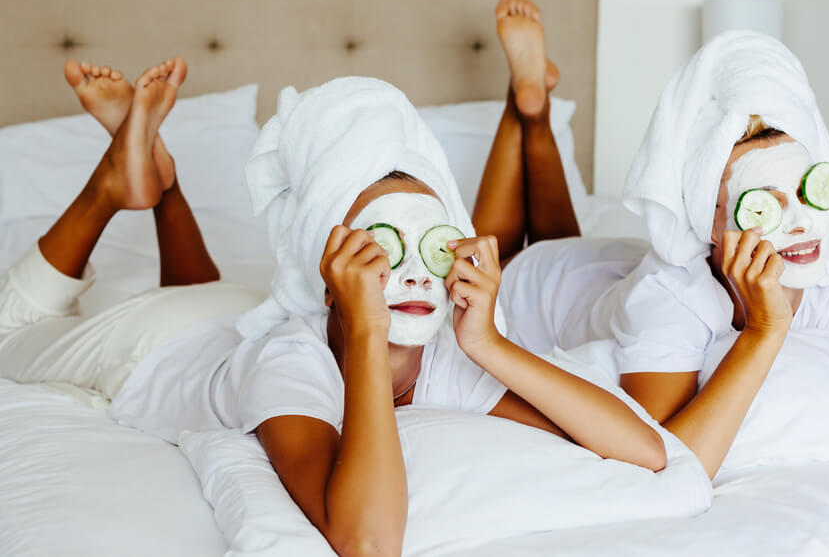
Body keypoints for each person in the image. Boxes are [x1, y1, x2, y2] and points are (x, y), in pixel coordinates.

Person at [0, 50, 666, 556]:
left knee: (210, 293)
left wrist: (488, 340)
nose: (408, 273)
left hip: (235, 312)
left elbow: (646, 448)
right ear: (331, 274)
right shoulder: (293, 362)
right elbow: (368, 542)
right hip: (154, 344)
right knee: (12, 329)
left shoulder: (445, 351)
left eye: (427, 246)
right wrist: (370, 337)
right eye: (381, 249)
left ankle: (162, 182)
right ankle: (114, 185)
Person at [479, 25, 829, 480]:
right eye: (766, 206)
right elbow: (667, 465)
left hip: (602, 270)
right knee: (503, 250)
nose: (801, 225)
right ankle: (529, 112)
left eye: (807, 191)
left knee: (560, 232)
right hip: (542, 287)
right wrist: (764, 330)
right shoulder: (668, 298)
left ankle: (534, 111)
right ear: (709, 222)